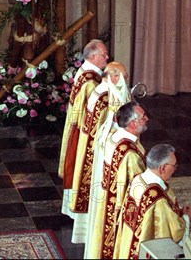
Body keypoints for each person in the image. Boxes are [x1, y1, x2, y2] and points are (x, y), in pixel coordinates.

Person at [69, 61, 131, 244]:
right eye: (123, 76)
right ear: (112, 77)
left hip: (96, 148)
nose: (126, 79)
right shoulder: (106, 97)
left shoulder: (102, 91)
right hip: (103, 153)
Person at [84, 100, 148, 259]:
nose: (147, 119)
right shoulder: (130, 155)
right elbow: (138, 186)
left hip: (106, 199)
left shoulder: (114, 135)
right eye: (143, 117)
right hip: (117, 206)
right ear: (132, 124)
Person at [114, 144, 191, 260]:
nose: (175, 169)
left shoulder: (137, 180)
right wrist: (186, 218)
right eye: (174, 166)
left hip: (129, 245)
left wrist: (177, 210)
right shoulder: (158, 198)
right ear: (162, 168)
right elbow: (174, 234)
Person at [59, 39, 108, 218]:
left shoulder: (85, 71)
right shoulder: (91, 82)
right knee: (81, 168)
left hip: (76, 127)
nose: (107, 57)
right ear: (94, 57)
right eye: (104, 55)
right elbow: (96, 112)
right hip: (84, 132)